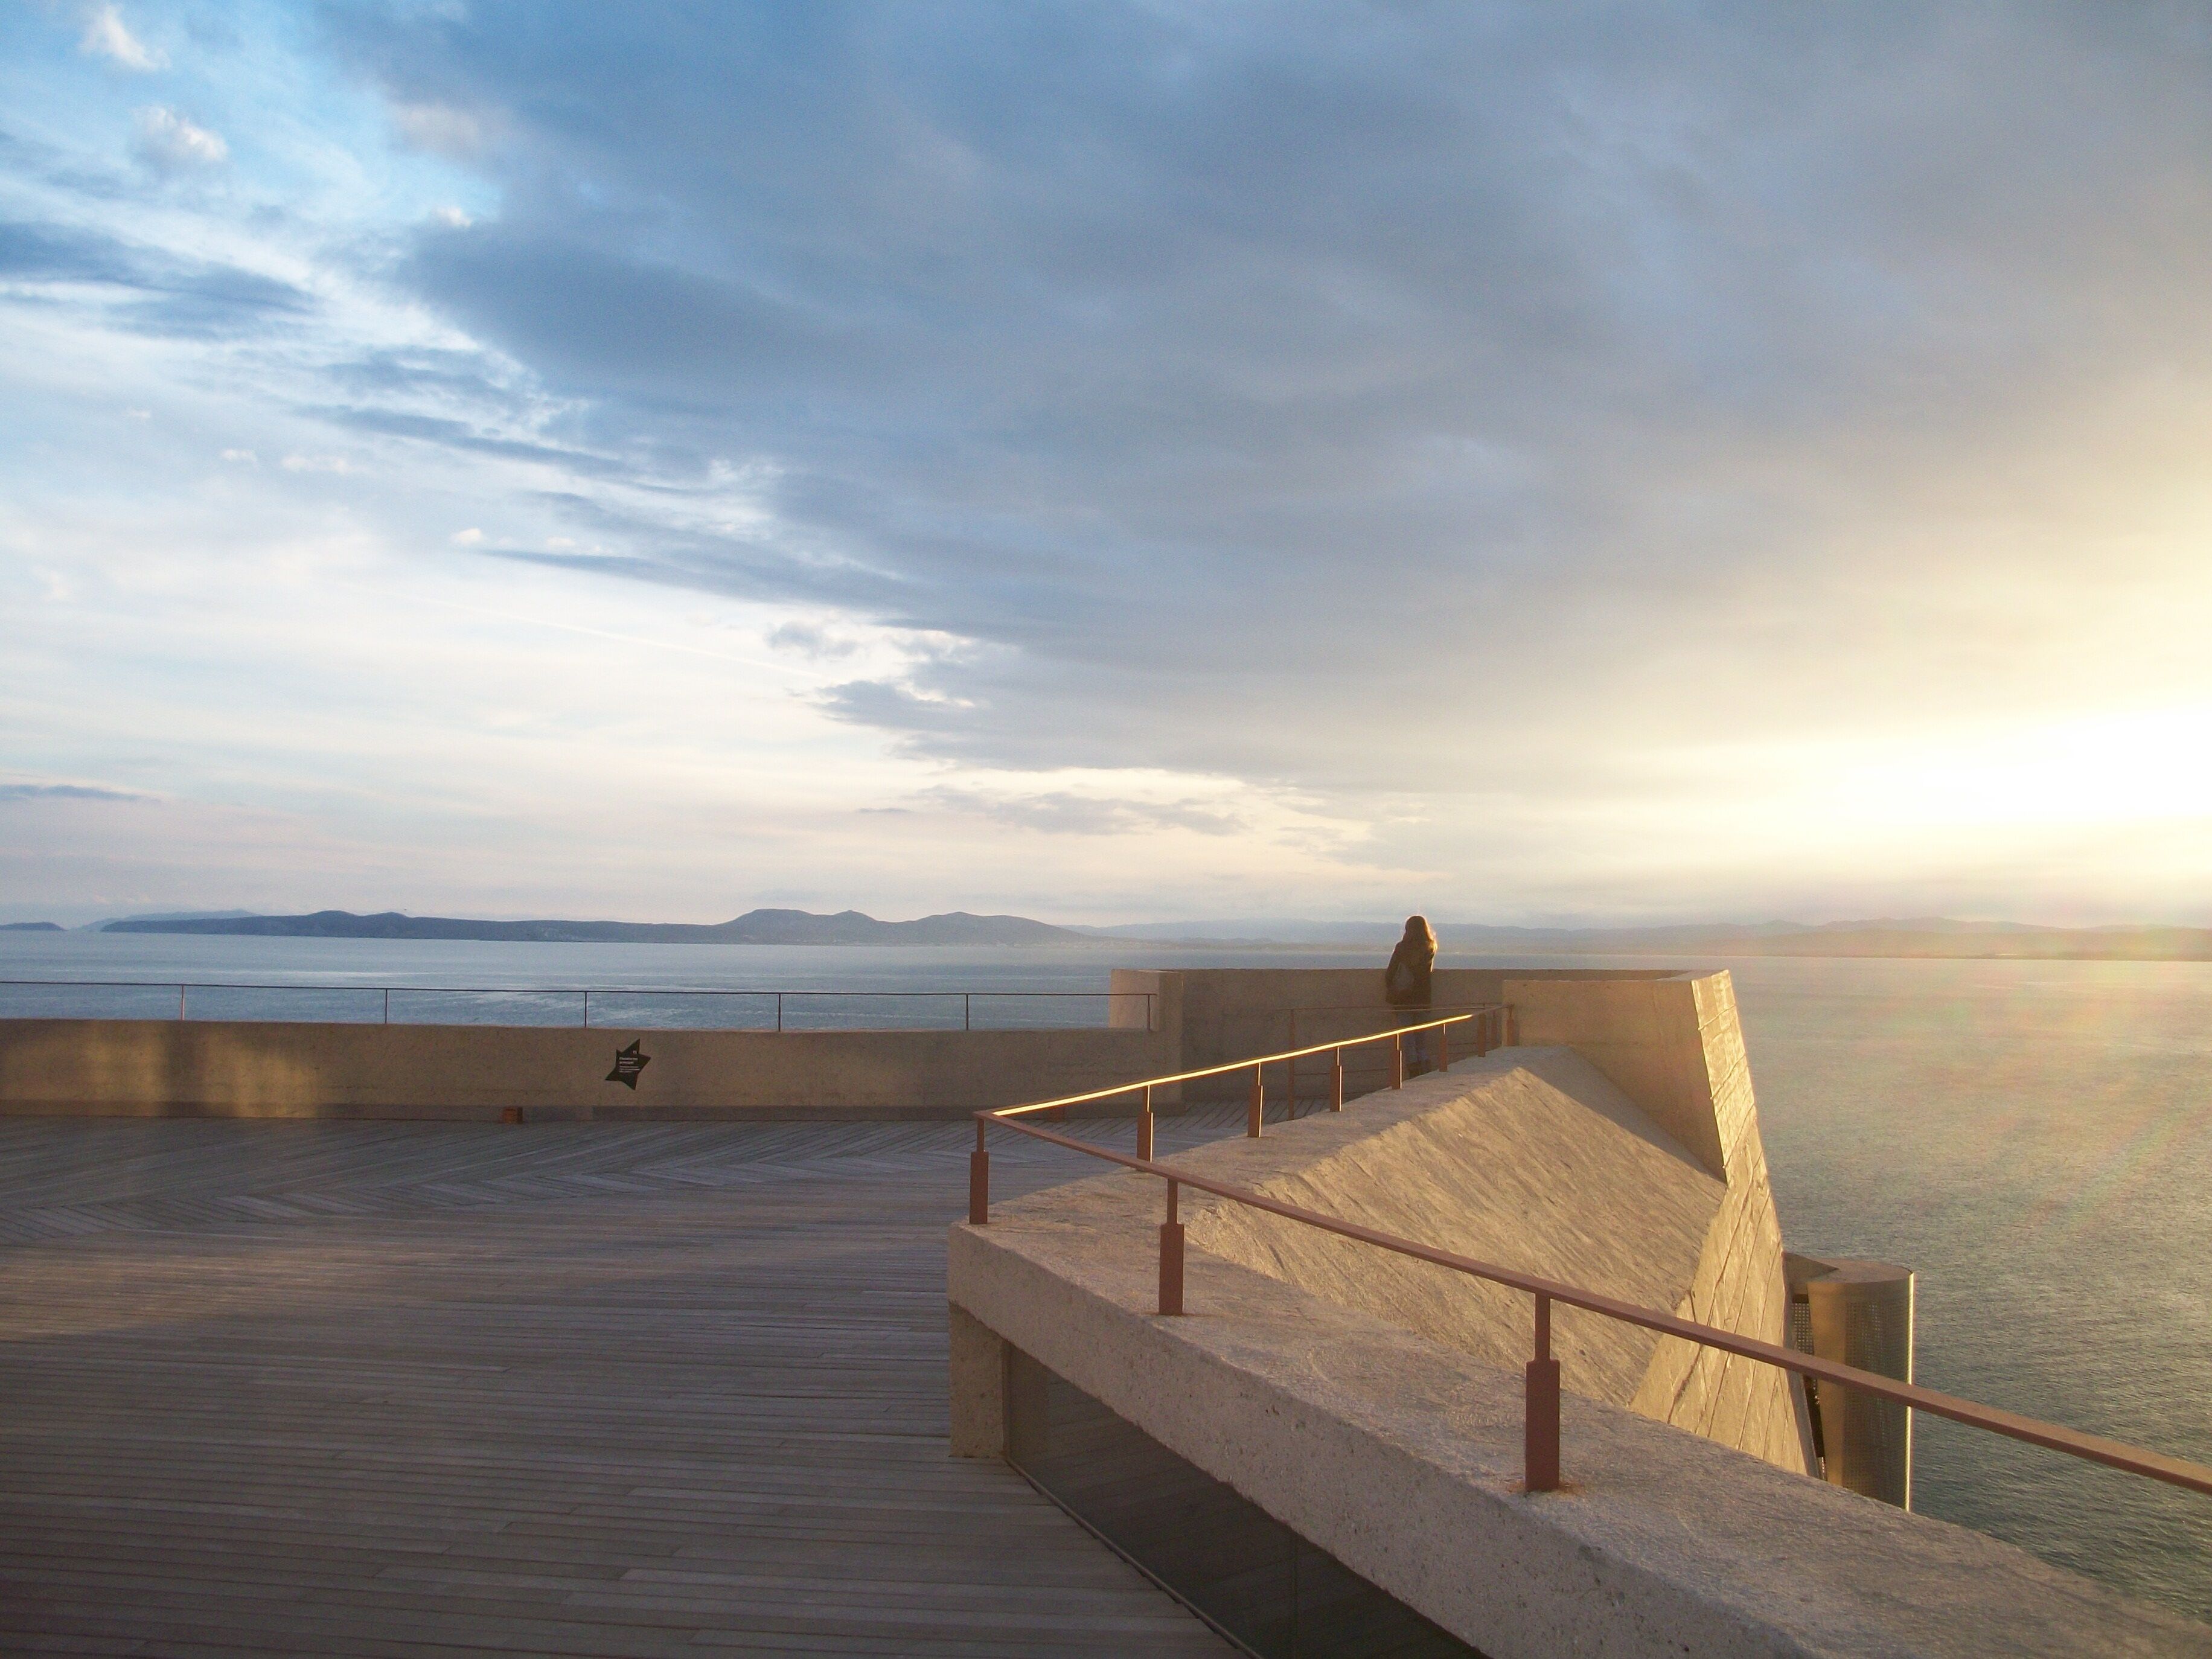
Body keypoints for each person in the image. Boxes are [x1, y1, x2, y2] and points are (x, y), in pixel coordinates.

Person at [1383, 914, 1438, 1074]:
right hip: (1423, 1000)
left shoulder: (1402, 948)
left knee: (1408, 1043)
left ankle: (1414, 1075)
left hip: (1404, 1000)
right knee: (1421, 1044)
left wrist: (1395, 990)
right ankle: (1426, 1074)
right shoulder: (1430, 947)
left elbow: (1390, 974)